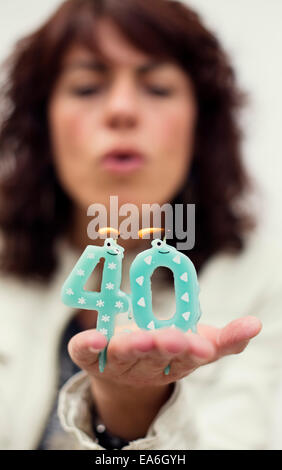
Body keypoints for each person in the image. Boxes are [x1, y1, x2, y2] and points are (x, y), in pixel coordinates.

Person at [0, 0, 281, 450]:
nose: (122, 110)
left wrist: (134, 405)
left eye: (157, 87)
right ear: (43, 122)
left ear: (200, 124)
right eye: (88, 87)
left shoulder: (262, 275)